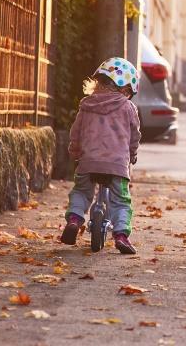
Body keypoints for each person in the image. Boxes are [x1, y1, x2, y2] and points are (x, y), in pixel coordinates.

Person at [60, 57, 141, 254]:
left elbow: (76, 133)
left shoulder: (86, 105)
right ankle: (121, 235)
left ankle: (74, 219)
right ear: (125, 89)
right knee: (121, 201)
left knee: (81, 191)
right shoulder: (128, 108)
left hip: (87, 162)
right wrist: (132, 155)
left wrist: (75, 152)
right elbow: (134, 135)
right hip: (117, 165)